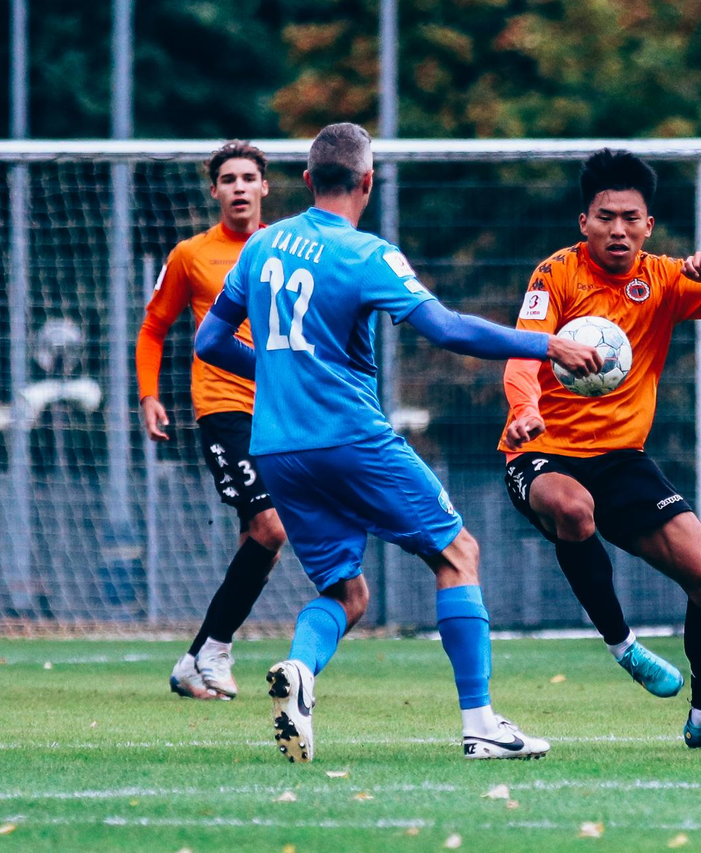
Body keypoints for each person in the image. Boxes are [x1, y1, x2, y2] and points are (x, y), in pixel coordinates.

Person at [194, 122, 603, 763]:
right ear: (368, 181)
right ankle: (481, 724)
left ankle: (299, 670)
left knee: (346, 594)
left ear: (306, 180)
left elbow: (209, 343)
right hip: (348, 437)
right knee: (457, 554)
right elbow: (447, 329)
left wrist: (278, 373)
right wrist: (547, 343)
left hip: (276, 448)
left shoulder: (262, 245)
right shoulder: (368, 255)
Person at [499, 149, 701, 751]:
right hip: (543, 452)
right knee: (573, 509)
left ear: (649, 226)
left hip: (622, 459)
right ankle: (623, 645)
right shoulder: (556, 274)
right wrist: (524, 411)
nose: (617, 230)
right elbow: (523, 352)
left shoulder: (667, 278)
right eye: (605, 217)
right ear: (584, 223)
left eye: (630, 218)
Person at [136, 141, 287, 701]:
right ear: (215, 191)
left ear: (264, 187)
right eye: (228, 179)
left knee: (259, 541)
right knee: (272, 529)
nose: (239, 187)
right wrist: (148, 395)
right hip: (223, 407)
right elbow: (153, 327)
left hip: (280, 410)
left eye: (248, 177)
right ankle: (216, 651)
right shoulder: (191, 254)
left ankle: (194, 659)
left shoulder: (284, 249)